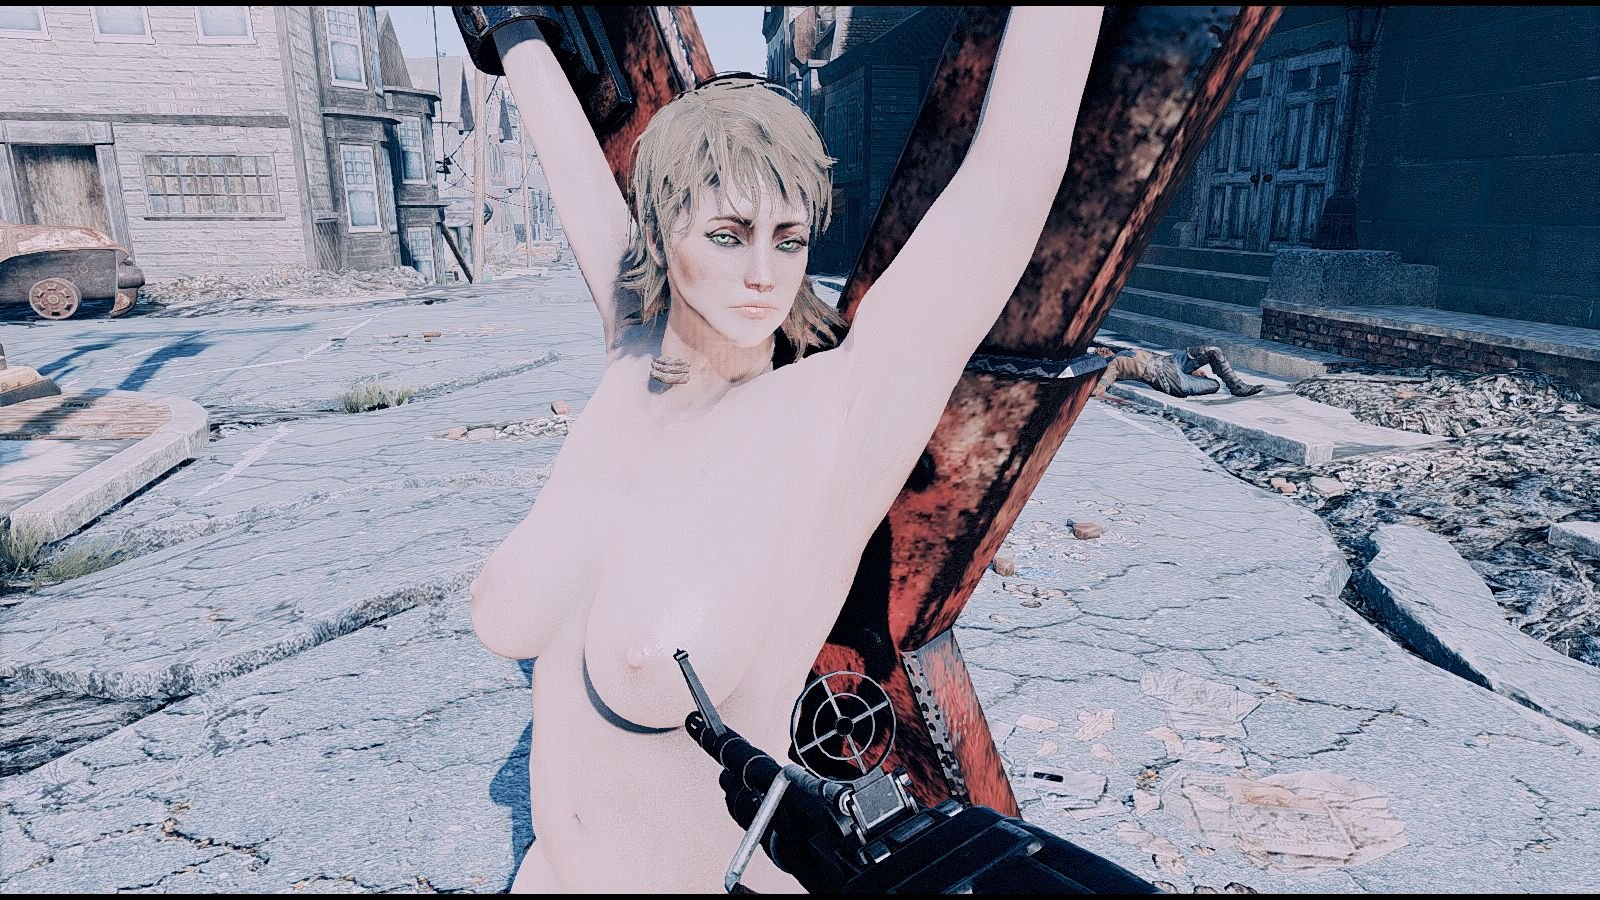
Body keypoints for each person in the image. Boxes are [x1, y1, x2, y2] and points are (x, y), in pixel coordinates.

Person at [469, 7, 1106, 892]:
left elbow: (1011, 175)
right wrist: (512, 31)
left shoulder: (833, 416)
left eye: (789, 238)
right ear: (658, 233)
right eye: (727, 235)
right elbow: (570, 159)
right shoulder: (629, 361)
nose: (764, 274)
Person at [1091, 344, 1265, 399]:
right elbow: (1105, 381)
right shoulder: (1113, 365)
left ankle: (1237, 387)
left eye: (1100, 348)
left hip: (1173, 360)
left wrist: (1192, 370)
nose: (1101, 350)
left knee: (1214, 351)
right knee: (1214, 385)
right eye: (1098, 353)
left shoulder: (1125, 351)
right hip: (1167, 378)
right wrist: (1098, 389)